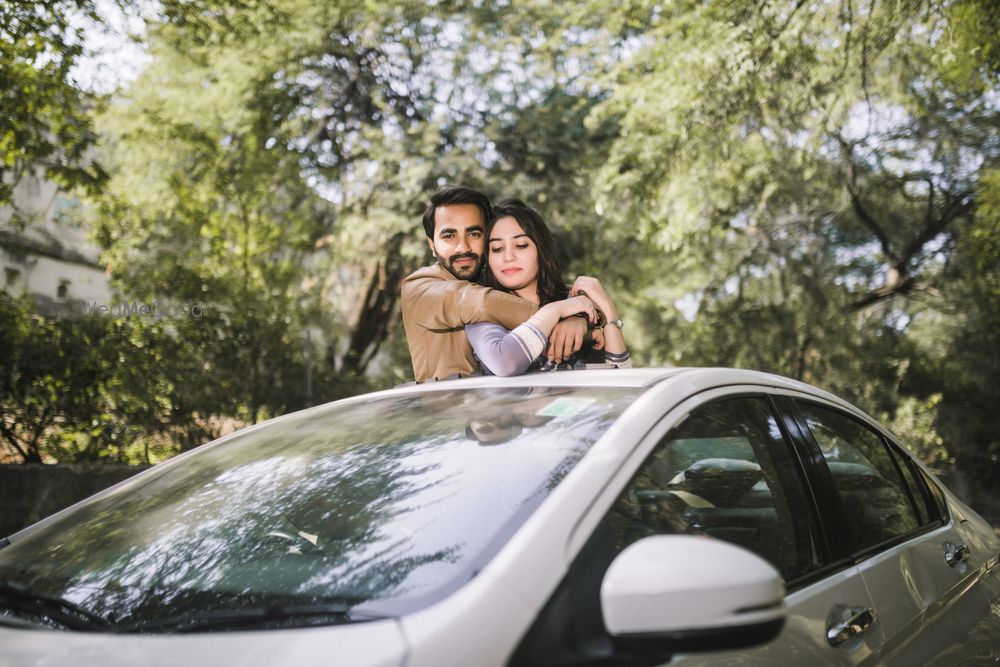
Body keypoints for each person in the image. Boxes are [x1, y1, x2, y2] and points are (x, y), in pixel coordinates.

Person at [401, 185, 592, 383]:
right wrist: (559, 312)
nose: (463, 247)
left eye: (474, 233)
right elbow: (479, 303)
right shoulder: (418, 287)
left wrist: (580, 316)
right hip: (448, 411)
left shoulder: (493, 282)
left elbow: (566, 294)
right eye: (449, 236)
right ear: (432, 245)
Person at [466, 198, 631, 376]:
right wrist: (557, 311)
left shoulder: (578, 303)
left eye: (521, 245)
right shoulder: (481, 307)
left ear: (541, 248)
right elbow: (505, 362)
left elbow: (621, 380)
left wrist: (607, 310)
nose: (508, 257)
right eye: (497, 248)